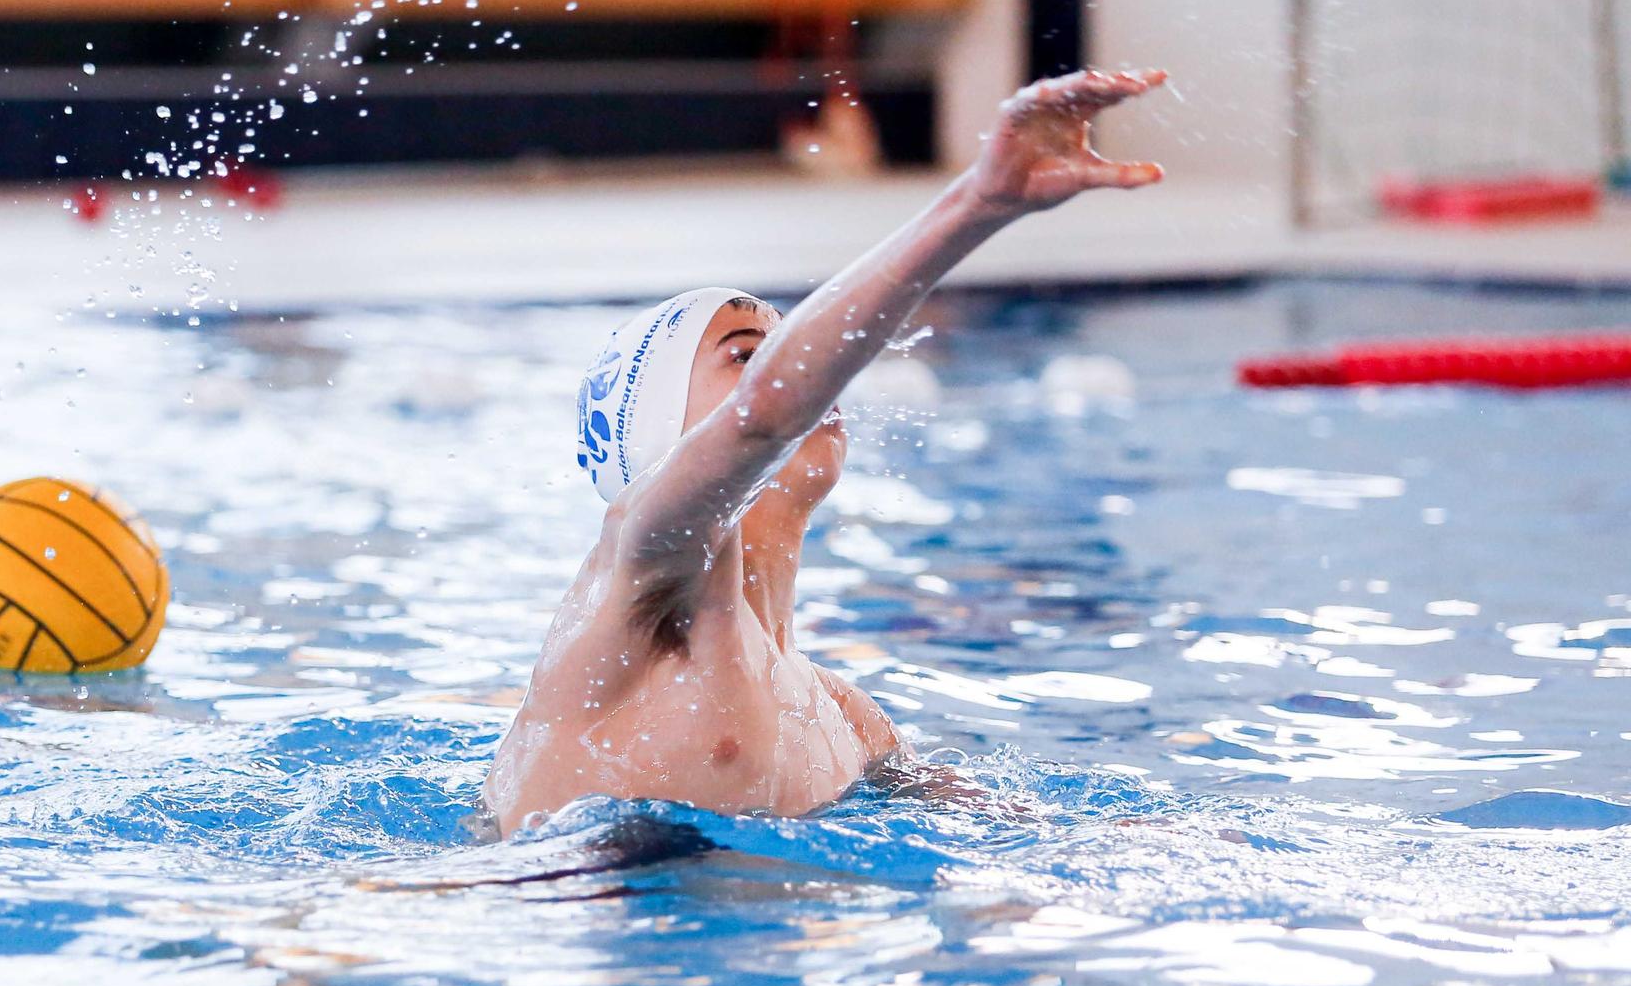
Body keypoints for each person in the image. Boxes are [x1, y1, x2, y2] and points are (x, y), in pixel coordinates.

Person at [484, 69, 1168, 835]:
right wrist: (978, 204)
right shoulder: (636, 581)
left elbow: (1024, 839)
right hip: (539, 917)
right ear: (662, 438)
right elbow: (759, 420)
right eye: (750, 354)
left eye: (791, 349)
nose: (801, 374)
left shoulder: (847, 719)